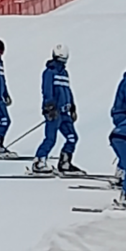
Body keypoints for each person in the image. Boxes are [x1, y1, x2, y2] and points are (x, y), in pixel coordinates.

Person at [33, 44, 83, 174]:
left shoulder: (64, 73)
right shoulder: (49, 72)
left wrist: (72, 106)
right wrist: (49, 107)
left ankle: (65, 162)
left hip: (65, 112)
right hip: (54, 112)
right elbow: (47, 90)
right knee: (51, 138)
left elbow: (68, 91)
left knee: (72, 137)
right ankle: (39, 161)